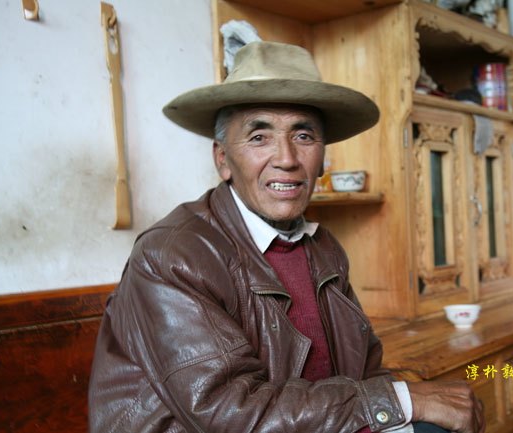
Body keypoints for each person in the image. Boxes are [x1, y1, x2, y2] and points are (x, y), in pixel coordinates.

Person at [88, 41, 484, 433]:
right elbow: (233, 414)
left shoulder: (323, 248)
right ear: (223, 159)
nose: (287, 159)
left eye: (304, 136)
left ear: (323, 158)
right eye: (259, 137)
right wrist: (404, 400)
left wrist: (404, 406)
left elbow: (365, 372)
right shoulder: (172, 255)